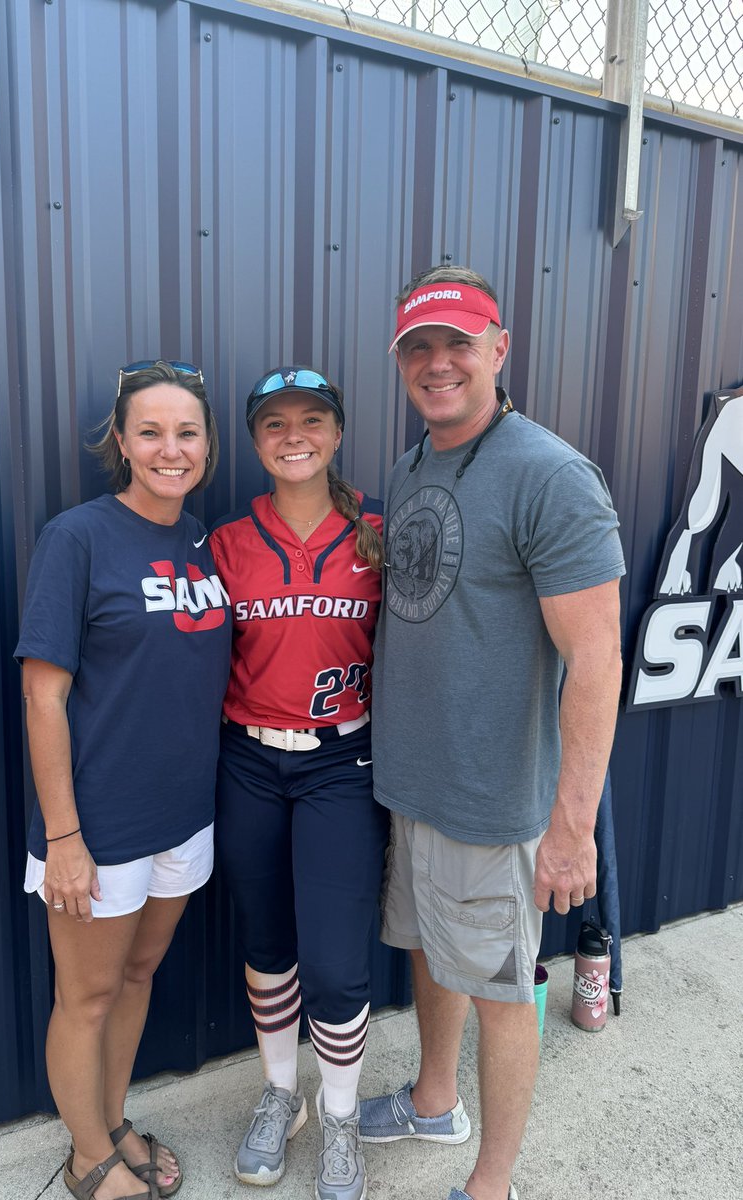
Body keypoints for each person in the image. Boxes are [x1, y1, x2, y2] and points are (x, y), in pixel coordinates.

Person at [359, 268, 625, 1200]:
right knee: (433, 949)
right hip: (414, 782)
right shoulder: (411, 464)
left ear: (499, 349)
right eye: (418, 349)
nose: (438, 365)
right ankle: (436, 1099)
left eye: (457, 344)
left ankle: (492, 1185)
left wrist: (571, 826)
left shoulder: (550, 474)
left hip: (494, 800)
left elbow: (596, 662)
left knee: (504, 992)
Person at [15, 361, 231, 1200]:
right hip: (97, 826)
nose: (169, 449)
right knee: (88, 994)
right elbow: (43, 693)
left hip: (184, 816)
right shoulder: (78, 537)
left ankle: (112, 1119)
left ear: (208, 447)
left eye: (186, 433)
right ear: (121, 441)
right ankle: (85, 1155)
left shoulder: (202, 541)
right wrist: (63, 839)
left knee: (136, 977)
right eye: (151, 431)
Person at [210, 367, 389, 1200]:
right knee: (268, 945)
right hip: (248, 758)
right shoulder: (224, 543)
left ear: (337, 432)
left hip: (339, 763)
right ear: (253, 441)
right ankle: (283, 1095)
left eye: (311, 419)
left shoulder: (379, 535)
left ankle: (342, 1113)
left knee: (335, 963)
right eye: (274, 422)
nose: (293, 435)